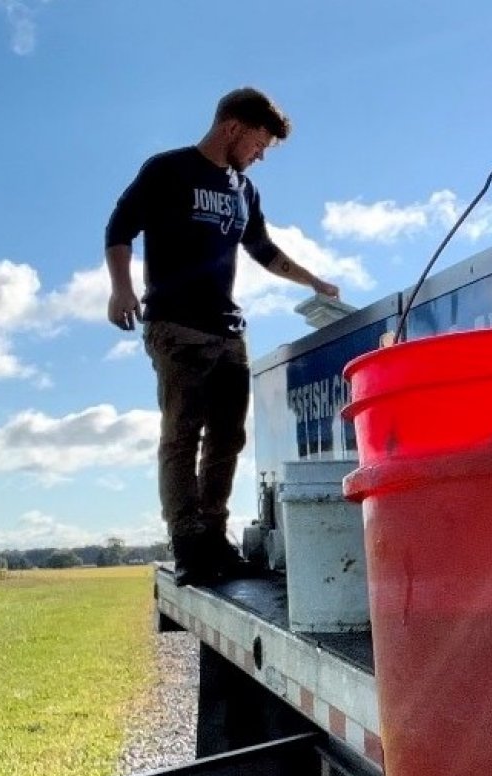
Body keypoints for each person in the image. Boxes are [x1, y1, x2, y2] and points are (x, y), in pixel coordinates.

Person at [105, 87, 339, 586]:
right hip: (176, 325)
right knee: (182, 434)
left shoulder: (244, 190)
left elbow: (263, 249)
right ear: (233, 126)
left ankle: (215, 535)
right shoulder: (168, 170)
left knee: (228, 438)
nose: (259, 156)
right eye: (258, 144)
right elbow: (120, 227)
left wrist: (313, 281)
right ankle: (188, 542)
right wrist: (121, 290)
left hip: (228, 328)